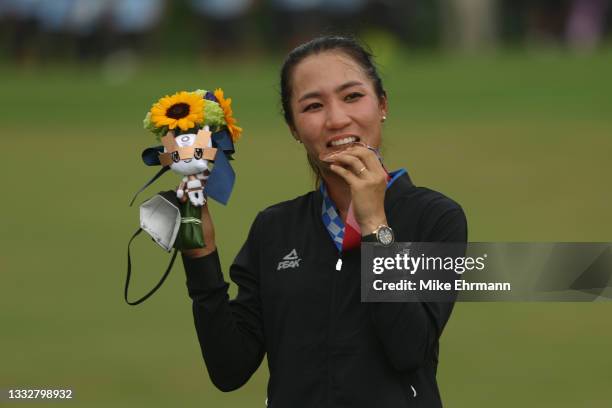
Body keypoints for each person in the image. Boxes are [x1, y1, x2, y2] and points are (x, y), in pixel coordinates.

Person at [182, 36, 468, 408]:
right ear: (293, 127)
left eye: (352, 97)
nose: (336, 119)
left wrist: (375, 225)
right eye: (313, 106)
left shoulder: (435, 217)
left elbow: (409, 350)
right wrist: (201, 256)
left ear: (382, 105)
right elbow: (229, 370)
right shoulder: (275, 228)